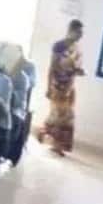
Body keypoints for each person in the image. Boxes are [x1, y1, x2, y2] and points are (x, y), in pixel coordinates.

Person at [37, 19, 84, 156]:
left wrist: (78, 71)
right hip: (57, 85)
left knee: (68, 117)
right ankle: (48, 138)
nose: (80, 35)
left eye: (81, 33)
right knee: (58, 116)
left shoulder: (77, 49)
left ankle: (58, 145)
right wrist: (48, 87)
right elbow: (53, 67)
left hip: (70, 86)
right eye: (78, 32)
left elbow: (75, 68)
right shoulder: (59, 46)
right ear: (71, 30)